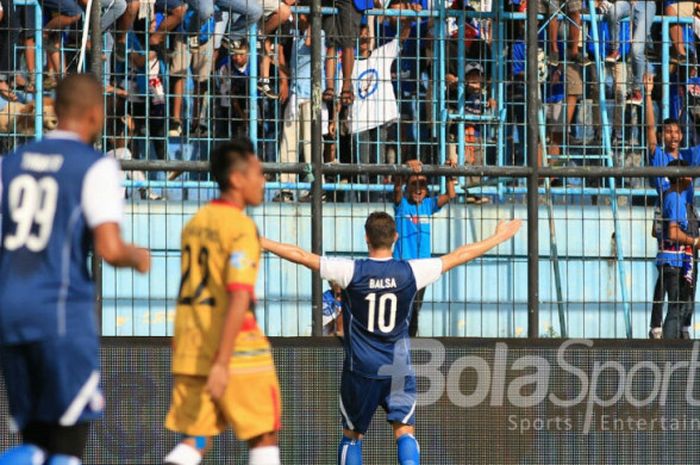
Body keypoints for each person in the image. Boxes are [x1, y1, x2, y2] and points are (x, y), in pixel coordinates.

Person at [261, 212, 522, 465]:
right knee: (405, 431)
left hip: (360, 370)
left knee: (352, 436)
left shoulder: (351, 271)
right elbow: (459, 255)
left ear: (366, 238)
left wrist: (261, 241)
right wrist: (498, 237)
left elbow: (301, 256)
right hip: (398, 368)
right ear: (396, 237)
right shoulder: (411, 271)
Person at [0, 73, 151, 465]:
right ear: (95, 114)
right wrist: (136, 256)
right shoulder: (94, 166)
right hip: (60, 313)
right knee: (68, 443)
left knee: (33, 442)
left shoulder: (9, 165)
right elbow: (109, 248)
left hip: (10, 313)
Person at [163, 139, 282, 465]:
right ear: (236, 179)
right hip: (235, 347)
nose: (263, 180)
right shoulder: (241, 228)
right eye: (258, 172)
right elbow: (239, 294)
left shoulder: (196, 223)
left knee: (195, 439)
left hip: (191, 343)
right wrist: (222, 362)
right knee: (264, 434)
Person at [645, 72, 700, 338]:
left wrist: (694, 110)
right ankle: (660, 326)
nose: (674, 135)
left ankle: (683, 327)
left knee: (687, 275)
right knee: (667, 272)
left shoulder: (688, 155)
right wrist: (647, 95)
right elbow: (650, 136)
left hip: (686, 213)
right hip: (668, 211)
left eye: (677, 131)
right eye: (669, 131)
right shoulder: (659, 157)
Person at [393, 159, 456, 336]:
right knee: (399, 308)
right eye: (414, 184)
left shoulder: (428, 205)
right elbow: (397, 188)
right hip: (402, 266)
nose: (418, 189)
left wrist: (448, 172)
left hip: (422, 268)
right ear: (407, 186)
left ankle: (409, 342)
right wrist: (406, 166)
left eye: (422, 185)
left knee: (415, 310)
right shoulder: (402, 205)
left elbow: (450, 195)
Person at [656, 159, 699, 339]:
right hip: (673, 261)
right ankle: (668, 349)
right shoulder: (675, 198)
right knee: (676, 306)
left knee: (677, 306)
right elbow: (673, 233)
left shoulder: (674, 197)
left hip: (673, 259)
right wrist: (693, 241)